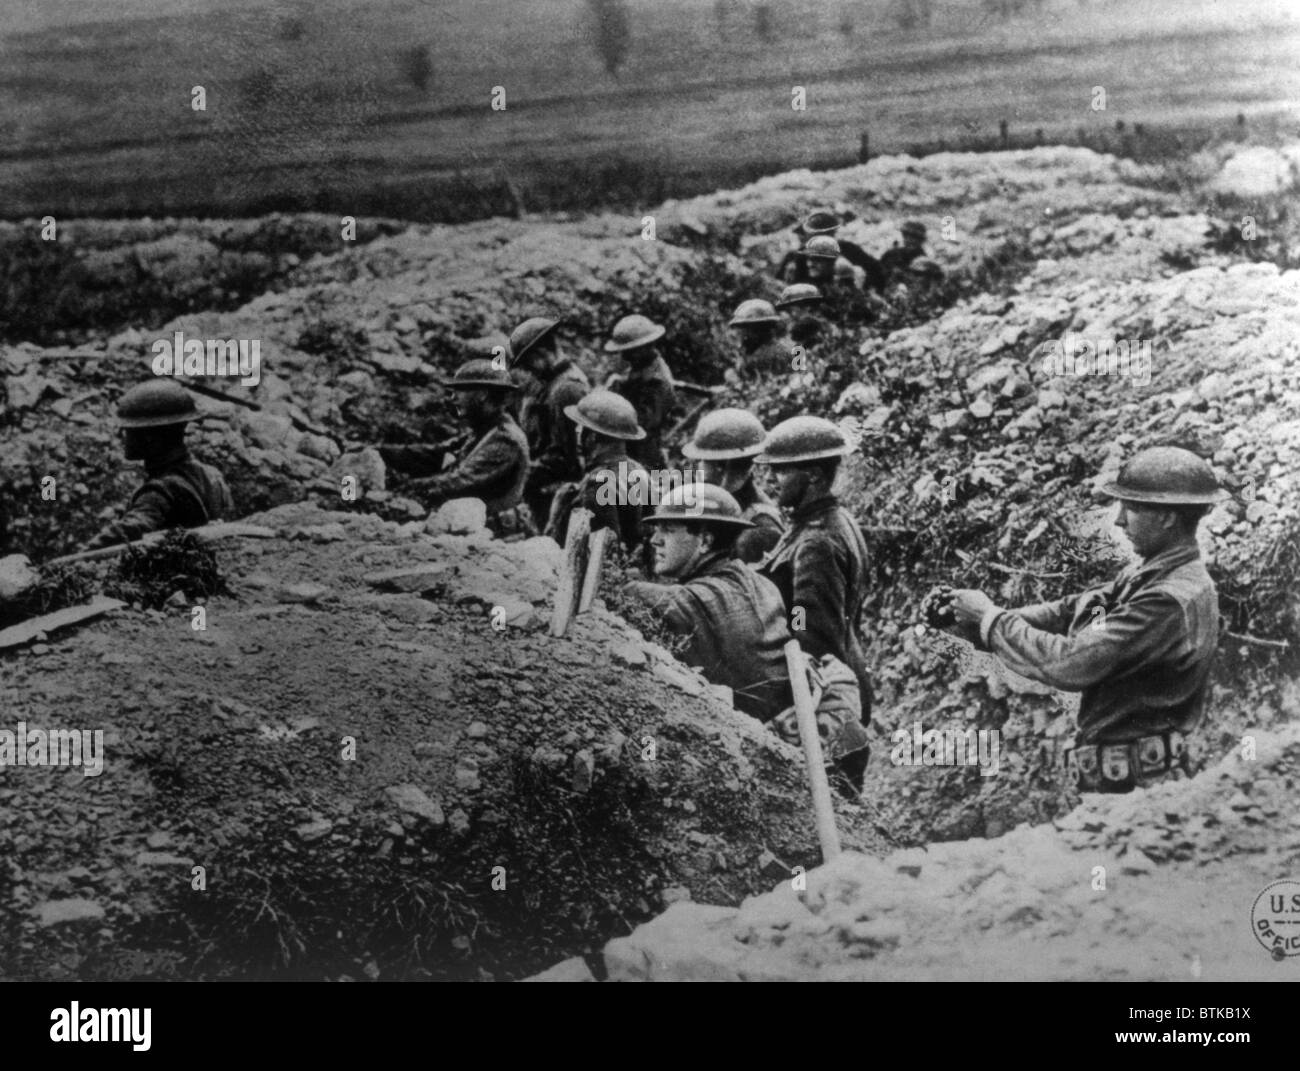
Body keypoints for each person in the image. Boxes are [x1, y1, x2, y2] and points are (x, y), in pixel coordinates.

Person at [941, 446, 1225, 794]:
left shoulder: (1166, 600)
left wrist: (990, 619)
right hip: (1129, 780)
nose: (1119, 520)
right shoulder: (1151, 579)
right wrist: (971, 621)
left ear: (1167, 517)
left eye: (1131, 508)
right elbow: (1074, 609)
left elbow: (1072, 662)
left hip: (1139, 792)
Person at [624, 483, 867, 799]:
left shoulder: (700, 599)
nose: (655, 540)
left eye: (668, 529)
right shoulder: (755, 581)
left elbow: (634, 594)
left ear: (705, 541)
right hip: (834, 736)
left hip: (799, 754)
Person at [756, 415, 873, 792]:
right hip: (848, 668)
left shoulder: (817, 542)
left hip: (826, 695)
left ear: (815, 477)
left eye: (781, 471)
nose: (770, 479)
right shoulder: (826, 522)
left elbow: (812, 634)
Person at [380, 359, 531, 536]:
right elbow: (433, 455)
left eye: (460, 391)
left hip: (498, 538)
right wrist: (382, 452)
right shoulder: (483, 431)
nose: (453, 398)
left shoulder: (505, 438)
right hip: (473, 529)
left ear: (482, 394)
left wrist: (403, 489)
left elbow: (460, 481)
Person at [84, 380, 233, 550]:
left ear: (149, 438)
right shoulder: (212, 475)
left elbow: (134, 527)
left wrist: (84, 553)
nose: (122, 436)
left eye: (128, 431)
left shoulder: (161, 490)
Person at [545, 388, 649, 556]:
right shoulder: (637, 469)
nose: (577, 433)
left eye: (581, 428)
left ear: (592, 437)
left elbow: (603, 552)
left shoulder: (598, 483)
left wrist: (556, 514)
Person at [508, 316, 589, 529]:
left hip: (556, 496)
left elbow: (564, 458)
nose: (529, 372)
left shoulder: (567, 389)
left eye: (528, 364)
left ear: (542, 354)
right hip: (542, 492)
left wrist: (516, 476)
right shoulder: (549, 384)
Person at [681, 408, 784, 564]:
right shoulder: (715, 505)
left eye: (702, 460)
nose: (697, 467)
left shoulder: (757, 530)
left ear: (721, 465)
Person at [603, 314, 677, 470]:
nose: (624, 356)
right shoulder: (641, 368)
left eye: (630, 351)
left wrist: (618, 393)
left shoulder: (657, 382)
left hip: (644, 460)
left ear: (645, 347)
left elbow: (642, 425)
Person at [727, 299, 794, 378]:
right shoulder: (749, 353)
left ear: (757, 330)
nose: (742, 333)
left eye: (745, 328)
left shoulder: (759, 356)